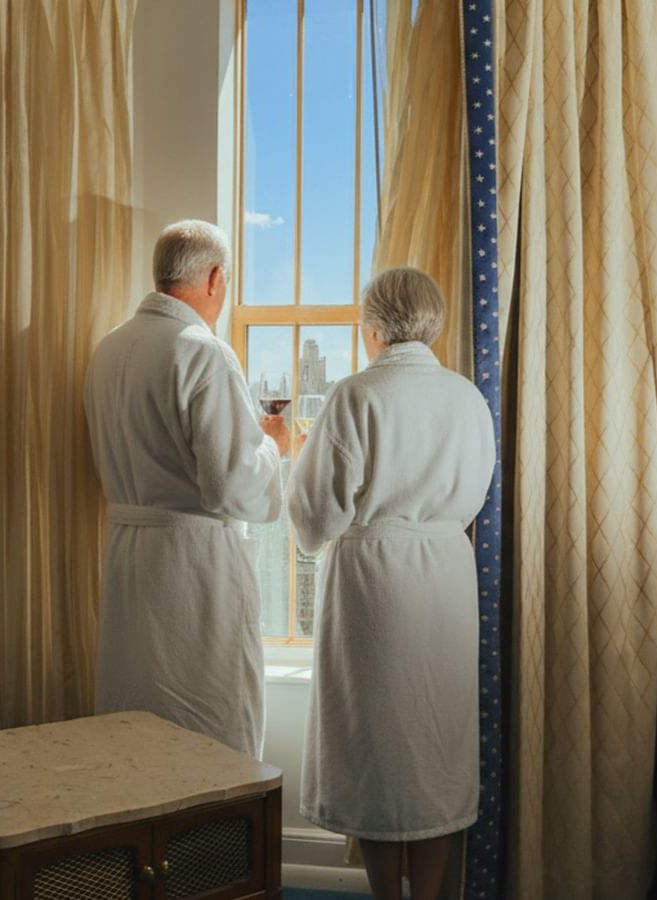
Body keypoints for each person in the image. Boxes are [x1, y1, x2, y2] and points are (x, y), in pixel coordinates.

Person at [287, 267, 495, 900]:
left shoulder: (355, 394)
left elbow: (316, 516)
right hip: (446, 576)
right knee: (434, 750)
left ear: (372, 327)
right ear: (432, 322)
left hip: (374, 584)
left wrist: (299, 458)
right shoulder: (467, 397)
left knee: (377, 753)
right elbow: (475, 490)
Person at [85, 219, 289, 757]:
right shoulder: (203, 351)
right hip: (192, 568)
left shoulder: (109, 349)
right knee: (208, 734)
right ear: (216, 277)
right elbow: (232, 485)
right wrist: (274, 448)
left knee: (135, 726)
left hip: (127, 562)